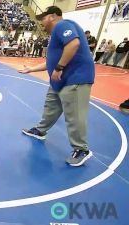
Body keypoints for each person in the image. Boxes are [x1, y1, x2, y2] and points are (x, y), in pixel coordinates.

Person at [19, 6, 95, 167]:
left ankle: (82, 149)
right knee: (51, 107)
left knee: (74, 115)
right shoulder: (56, 34)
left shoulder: (62, 25)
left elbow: (74, 43)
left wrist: (59, 67)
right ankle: (40, 131)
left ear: (53, 16)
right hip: (60, 80)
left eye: (44, 18)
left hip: (75, 79)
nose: (42, 22)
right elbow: (51, 61)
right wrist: (32, 69)